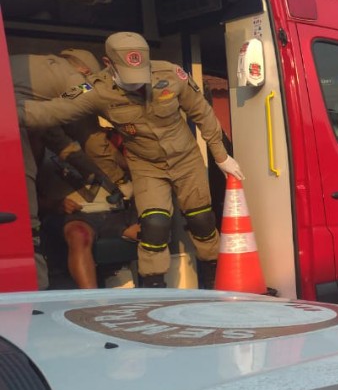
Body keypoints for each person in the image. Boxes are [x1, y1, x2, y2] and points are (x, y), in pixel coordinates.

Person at [17, 32, 243, 289]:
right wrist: (11, 112)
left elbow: (202, 112)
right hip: (147, 166)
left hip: (186, 159)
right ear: (108, 63)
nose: (137, 85)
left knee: (201, 220)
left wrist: (221, 156)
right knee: (154, 226)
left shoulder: (171, 74)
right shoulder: (94, 89)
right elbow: (52, 110)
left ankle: (216, 278)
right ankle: (153, 287)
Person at [10, 49, 119, 289]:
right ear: (85, 71)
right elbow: (77, 103)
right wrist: (18, 116)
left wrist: (94, 174)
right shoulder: (79, 82)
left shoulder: (28, 69)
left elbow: (57, 139)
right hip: (10, 129)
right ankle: (36, 288)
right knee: (26, 223)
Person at [36, 145, 138, 289]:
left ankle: (155, 295)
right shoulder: (38, 144)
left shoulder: (100, 140)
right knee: (79, 235)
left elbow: (136, 175)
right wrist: (54, 204)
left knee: (151, 230)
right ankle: (91, 300)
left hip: (116, 212)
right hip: (71, 215)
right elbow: (25, 197)